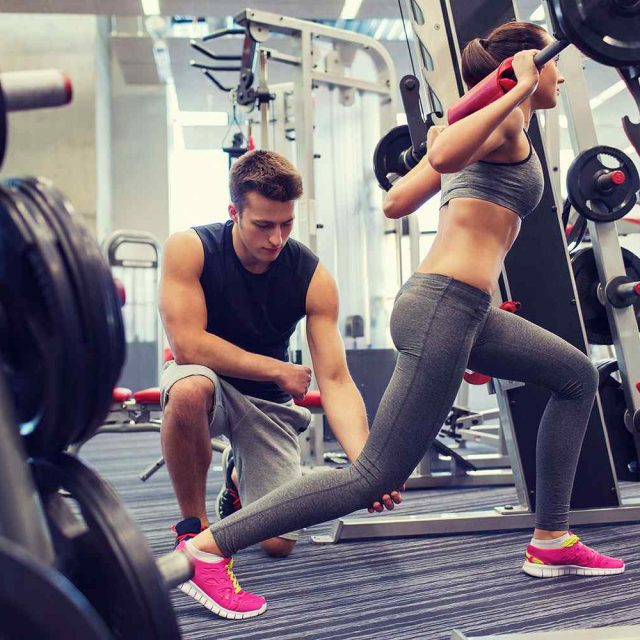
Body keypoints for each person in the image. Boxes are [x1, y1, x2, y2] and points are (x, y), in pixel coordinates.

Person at [176, 22, 625, 621]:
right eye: (552, 63)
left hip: (468, 311)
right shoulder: (510, 119)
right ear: (526, 65)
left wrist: (466, 126)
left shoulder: (486, 126)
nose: (561, 73)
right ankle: (208, 550)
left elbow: (395, 201)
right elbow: (437, 158)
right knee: (373, 475)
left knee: (577, 376)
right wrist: (510, 95)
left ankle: (550, 539)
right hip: (445, 306)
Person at [159, 149, 402, 619]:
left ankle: (236, 482)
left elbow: (334, 378)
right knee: (188, 388)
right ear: (234, 213)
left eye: (286, 224)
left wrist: (368, 464)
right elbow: (188, 345)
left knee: (278, 543)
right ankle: (195, 532)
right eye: (263, 225)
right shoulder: (190, 247)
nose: (276, 238)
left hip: (265, 404)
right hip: (208, 381)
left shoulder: (310, 275)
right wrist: (276, 369)